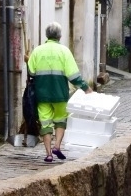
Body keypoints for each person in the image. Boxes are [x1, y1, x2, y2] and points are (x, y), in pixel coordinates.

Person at [26, 22, 92, 163]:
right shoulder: (64, 51)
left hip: (42, 95)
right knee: (60, 120)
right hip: (60, 94)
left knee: (45, 124)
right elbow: (73, 76)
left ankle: (49, 154)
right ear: (60, 36)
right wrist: (85, 88)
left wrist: (28, 60)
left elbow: (31, 72)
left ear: (46, 35)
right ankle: (57, 146)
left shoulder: (37, 51)